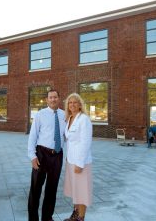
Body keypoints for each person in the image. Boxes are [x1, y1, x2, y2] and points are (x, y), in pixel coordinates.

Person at [27, 89, 66, 221]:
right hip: (42, 154)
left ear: (59, 99)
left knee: (52, 188)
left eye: (55, 97)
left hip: (57, 155)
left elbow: (67, 135)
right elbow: (33, 136)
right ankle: (33, 218)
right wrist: (32, 156)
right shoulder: (40, 114)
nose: (53, 99)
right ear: (47, 99)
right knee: (36, 188)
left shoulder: (64, 115)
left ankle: (47, 217)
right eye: (50, 97)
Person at [63, 93, 93, 221]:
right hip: (70, 160)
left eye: (75, 102)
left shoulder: (84, 119)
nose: (72, 105)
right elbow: (69, 140)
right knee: (75, 190)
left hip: (81, 163)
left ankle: (81, 218)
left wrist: (80, 164)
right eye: (70, 102)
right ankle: (75, 215)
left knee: (81, 192)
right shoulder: (70, 118)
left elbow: (85, 142)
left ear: (80, 105)